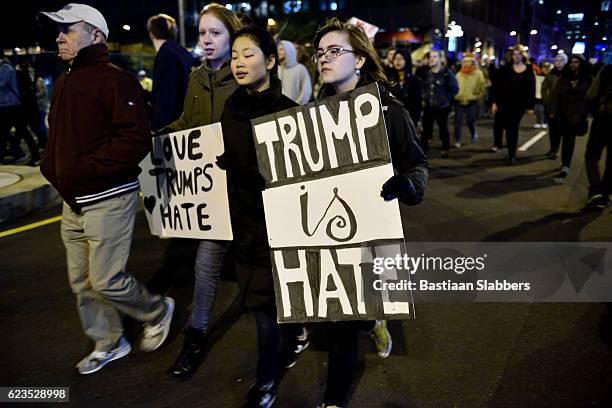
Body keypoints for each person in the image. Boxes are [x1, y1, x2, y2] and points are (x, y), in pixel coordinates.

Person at [38, 3, 174, 375]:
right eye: (58, 30)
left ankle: (157, 309)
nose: (59, 36)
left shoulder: (116, 80)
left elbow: (134, 140)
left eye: (68, 29)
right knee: (81, 282)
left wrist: (84, 169)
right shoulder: (66, 79)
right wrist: (54, 167)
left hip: (108, 197)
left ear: (95, 35)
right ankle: (109, 341)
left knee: (107, 280)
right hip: (74, 200)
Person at [312, 17, 428, 407]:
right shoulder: (313, 109)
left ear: (359, 59)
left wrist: (407, 186)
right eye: (320, 52)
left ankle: (371, 326)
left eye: (334, 51)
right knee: (338, 318)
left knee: (355, 310)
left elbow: (417, 166)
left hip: (370, 231)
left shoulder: (389, 108)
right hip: (328, 230)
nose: (324, 59)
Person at [214, 25, 298, 408]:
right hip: (241, 227)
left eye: (248, 54)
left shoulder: (290, 114)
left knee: (263, 310)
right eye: (234, 55)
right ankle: (295, 331)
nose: (239, 62)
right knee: (258, 303)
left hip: (275, 230)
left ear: (269, 60)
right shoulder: (230, 107)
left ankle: (266, 383)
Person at [163, 3, 242, 381]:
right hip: (211, 197)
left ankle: (295, 330)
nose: (207, 40)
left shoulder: (246, 77)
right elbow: (187, 123)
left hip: (243, 194)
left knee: (264, 269)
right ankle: (196, 334)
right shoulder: (196, 78)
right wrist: (158, 139)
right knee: (205, 265)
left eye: (216, 33)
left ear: (232, 37)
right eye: (202, 33)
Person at [146, 13, 195, 131]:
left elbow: (165, 97)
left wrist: (159, 129)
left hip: (174, 127)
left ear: (151, 34)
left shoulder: (165, 55)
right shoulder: (179, 51)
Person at [490, 45, 535, 165]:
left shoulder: (529, 70)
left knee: (512, 129)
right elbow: (496, 87)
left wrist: (530, 106)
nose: (516, 56)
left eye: (519, 54)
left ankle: (511, 154)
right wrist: (494, 102)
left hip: (518, 106)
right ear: (512, 56)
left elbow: (531, 90)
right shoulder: (505, 69)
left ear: (523, 56)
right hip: (503, 103)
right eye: (514, 54)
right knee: (499, 125)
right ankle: (498, 143)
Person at [550, 54, 592, 178]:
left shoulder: (587, 79)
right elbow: (556, 94)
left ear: (581, 64)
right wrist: (553, 111)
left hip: (576, 115)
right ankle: (563, 162)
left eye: (576, 62)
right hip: (563, 114)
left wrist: (582, 113)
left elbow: (589, 98)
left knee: (569, 140)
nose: (573, 64)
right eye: (572, 62)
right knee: (563, 138)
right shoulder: (564, 77)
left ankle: (565, 165)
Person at [421, 49, 458, 157]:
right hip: (429, 106)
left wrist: (447, 101)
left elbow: (454, 89)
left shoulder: (447, 73)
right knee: (426, 129)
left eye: (435, 56)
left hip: (442, 107)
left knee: (443, 129)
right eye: (430, 57)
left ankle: (445, 148)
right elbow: (423, 87)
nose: (432, 59)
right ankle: (423, 150)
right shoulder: (426, 73)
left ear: (441, 59)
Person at [584, 64, 612, 208]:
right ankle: (605, 194)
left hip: (603, 119)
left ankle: (596, 190)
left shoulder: (607, 70)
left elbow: (591, 94)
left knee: (592, 156)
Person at [453, 52, 486, 147]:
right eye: (464, 62)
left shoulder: (478, 74)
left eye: (468, 62)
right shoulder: (459, 74)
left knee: (470, 121)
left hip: (471, 101)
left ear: (472, 63)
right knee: (457, 122)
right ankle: (457, 140)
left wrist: (477, 97)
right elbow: (455, 87)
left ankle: (473, 133)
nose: (465, 64)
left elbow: (482, 89)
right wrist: (455, 96)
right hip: (459, 101)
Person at [0, 57, 28, 164]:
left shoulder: (6, 67)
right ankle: (13, 151)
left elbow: (1, 82)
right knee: (4, 131)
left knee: (15, 130)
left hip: (11, 105)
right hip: (5, 105)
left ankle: (18, 152)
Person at [542, 53, 567, 159]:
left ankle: (556, 149)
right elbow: (544, 88)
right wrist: (547, 101)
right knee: (553, 130)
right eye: (556, 60)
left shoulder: (567, 74)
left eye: (561, 60)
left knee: (561, 130)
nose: (558, 62)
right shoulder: (551, 74)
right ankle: (553, 148)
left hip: (564, 108)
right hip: (552, 107)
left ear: (565, 61)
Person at [392, 48, 422, 126]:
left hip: (408, 119)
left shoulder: (414, 80)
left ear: (407, 60)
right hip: (392, 120)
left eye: (401, 59)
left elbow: (417, 104)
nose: (398, 61)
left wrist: (414, 122)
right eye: (395, 58)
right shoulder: (389, 78)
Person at [278, 40, 312, 105]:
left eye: (281, 49)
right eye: (278, 49)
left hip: (296, 109)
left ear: (288, 50)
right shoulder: (278, 70)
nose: (278, 52)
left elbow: (306, 91)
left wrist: (296, 106)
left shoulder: (300, 68)